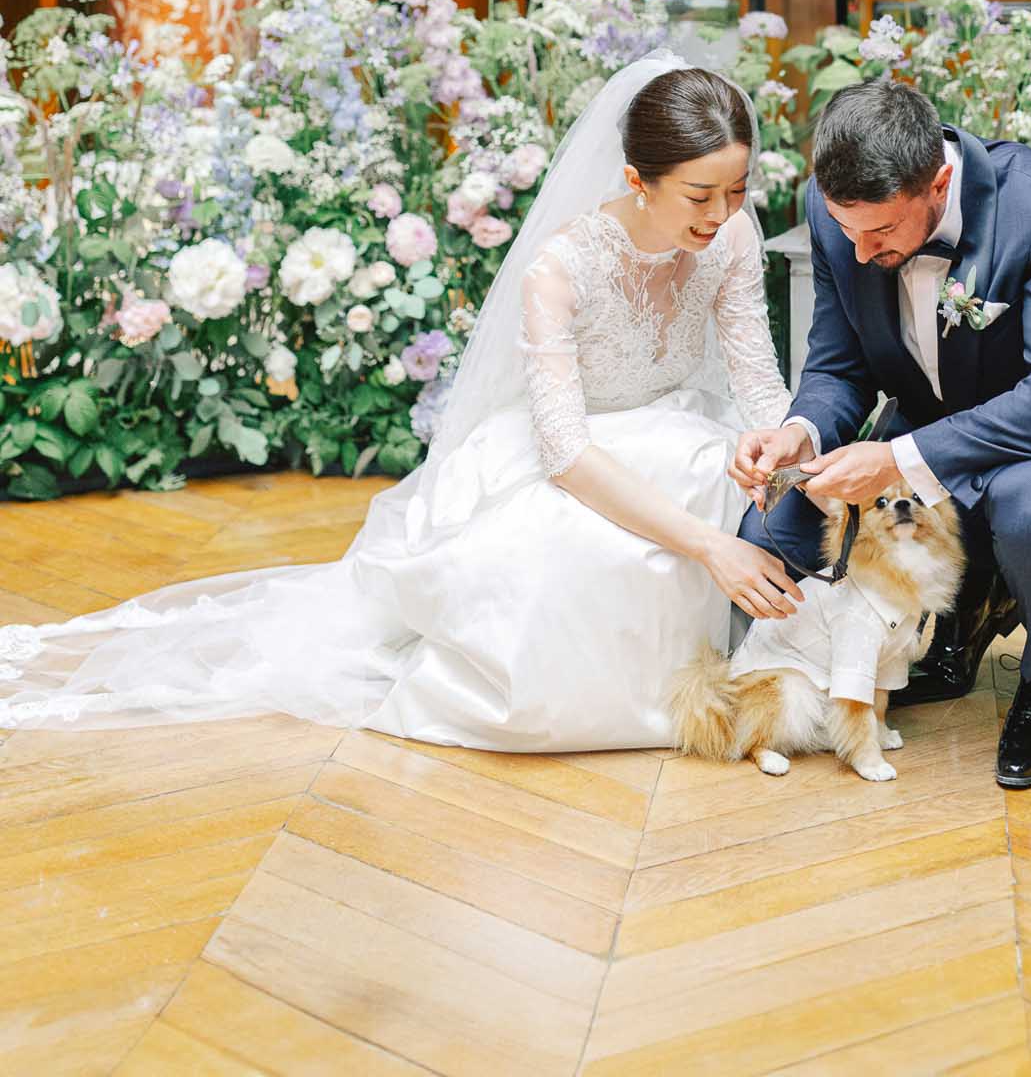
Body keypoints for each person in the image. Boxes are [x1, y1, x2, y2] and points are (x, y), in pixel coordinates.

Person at [0, 56, 801, 748]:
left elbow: (756, 372)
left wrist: (777, 440)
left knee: (730, 484)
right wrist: (708, 547)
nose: (723, 215)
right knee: (567, 569)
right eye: (701, 195)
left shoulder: (728, 236)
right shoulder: (560, 270)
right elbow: (566, 455)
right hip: (571, 458)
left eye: (736, 190)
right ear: (636, 178)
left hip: (676, 430)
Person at [732, 78, 1031, 789]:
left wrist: (896, 460)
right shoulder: (840, 217)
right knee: (769, 535)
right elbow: (837, 365)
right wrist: (802, 430)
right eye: (845, 228)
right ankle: (948, 622)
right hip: (925, 445)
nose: (857, 251)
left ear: (938, 184)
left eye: (879, 233)